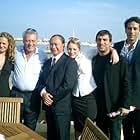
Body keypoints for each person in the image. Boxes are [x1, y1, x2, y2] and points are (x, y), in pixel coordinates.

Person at [36, 34, 78, 140]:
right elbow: (40, 82)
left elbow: (68, 85)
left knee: (62, 137)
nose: (53, 47)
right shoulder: (47, 63)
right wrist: (43, 94)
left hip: (62, 110)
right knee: (51, 136)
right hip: (49, 109)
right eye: (51, 44)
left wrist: (50, 98)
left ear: (63, 45)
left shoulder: (70, 62)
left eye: (56, 44)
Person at [92, 30, 131, 140]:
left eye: (105, 40)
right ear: (96, 41)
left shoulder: (119, 60)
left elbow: (126, 83)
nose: (102, 42)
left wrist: (125, 105)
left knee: (115, 136)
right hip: (99, 108)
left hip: (114, 106)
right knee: (101, 136)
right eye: (99, 40)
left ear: (110, 42)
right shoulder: (94, 60)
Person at [11, 28, 47, 130]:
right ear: (23, 41)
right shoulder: (15, 51)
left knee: (30, 127)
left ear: (37, 41)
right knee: (13, 125)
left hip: (33, 96)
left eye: (33, 41)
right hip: (16, 93)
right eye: (27, 41)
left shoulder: (42, 55)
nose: (30, 43)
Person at [114, 16, 140, 140]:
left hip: (138, 99)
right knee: (127, 130)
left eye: (135, 28)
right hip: (122, 98)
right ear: (125, 30)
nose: (132, 31)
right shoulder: (117, 47)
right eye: (129, 28)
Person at [67, 37, 97, 140]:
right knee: (78, 126)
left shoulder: (87, 54)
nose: (72, 51)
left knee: (90, 125)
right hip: (75, 97)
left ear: (79, 49)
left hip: (88, 95)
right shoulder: (67, 61)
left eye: (74, 49)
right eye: (69, 49)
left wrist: (114, 51)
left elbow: (103, 48)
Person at [0, 32, 15, 97]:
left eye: (4, 43)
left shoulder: (11, 60)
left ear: (9, 44)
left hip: (5, 95)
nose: (1, 45)